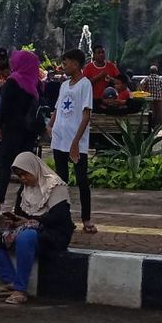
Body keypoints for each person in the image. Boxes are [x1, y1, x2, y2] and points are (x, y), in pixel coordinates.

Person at [0, 151, 75, 305]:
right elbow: (20, 214)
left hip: (52, 234)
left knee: (25, 236)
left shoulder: (54, 185)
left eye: (25, 174)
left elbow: (58, 217)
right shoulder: (25, 189)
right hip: (29, 229)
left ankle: (20, 289)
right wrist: (14, 220)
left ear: (34, 169)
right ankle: (11, 280)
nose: (23, 178)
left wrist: (29, 221)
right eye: (19, 175)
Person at [47, 48, 95, 233]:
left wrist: (75, 142)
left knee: (82, 179)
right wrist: (50, 126)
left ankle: (86, 218)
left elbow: (86, 115)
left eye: (66, 63)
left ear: (75, 64)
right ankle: (64, 218)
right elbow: (58, 108)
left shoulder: (85, 85)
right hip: (60, 138)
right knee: (61, 179)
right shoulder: (64, 85)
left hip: (76, 140)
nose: (63, 66)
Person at [0, 49, 42, 202]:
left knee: (5, 167)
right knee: (25, 168)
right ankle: (22, 201)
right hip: (29, 132)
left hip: (11, 130)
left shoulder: (12, 81)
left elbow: (5, 107)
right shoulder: (36, 84)